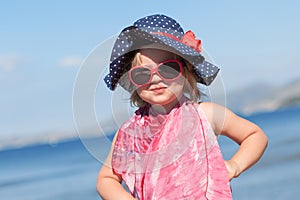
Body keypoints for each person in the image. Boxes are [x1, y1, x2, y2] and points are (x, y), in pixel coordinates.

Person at [97, 14, 268, 200]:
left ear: (186, 71)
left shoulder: (205, 114)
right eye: (141, 74)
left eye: (168, 69)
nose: (155, 78)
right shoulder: (129, 133)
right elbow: (106, 179)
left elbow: (254, 136)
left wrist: (234, 166)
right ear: (133, 83)